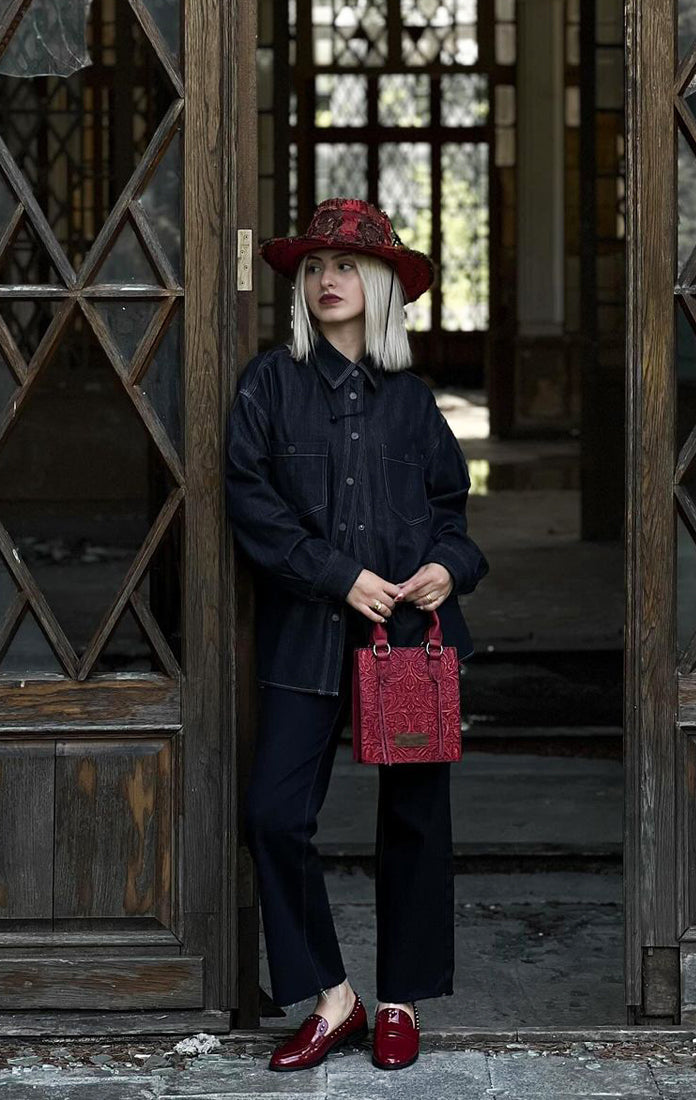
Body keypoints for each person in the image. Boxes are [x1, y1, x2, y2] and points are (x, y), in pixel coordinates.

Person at [225, 196, 489, 1072]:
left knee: (415, 821)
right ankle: (334, 999)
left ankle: (402, 1000)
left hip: (410, 640)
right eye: (313, 268)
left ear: (380, 285)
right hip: (305, 631)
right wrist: (339, 575)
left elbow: (453, 512)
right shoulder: (267, 385)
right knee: (273, 815)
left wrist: (449, 566)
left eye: (344, 266)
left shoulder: (411, 401)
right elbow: (251, 504)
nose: (326, 279)